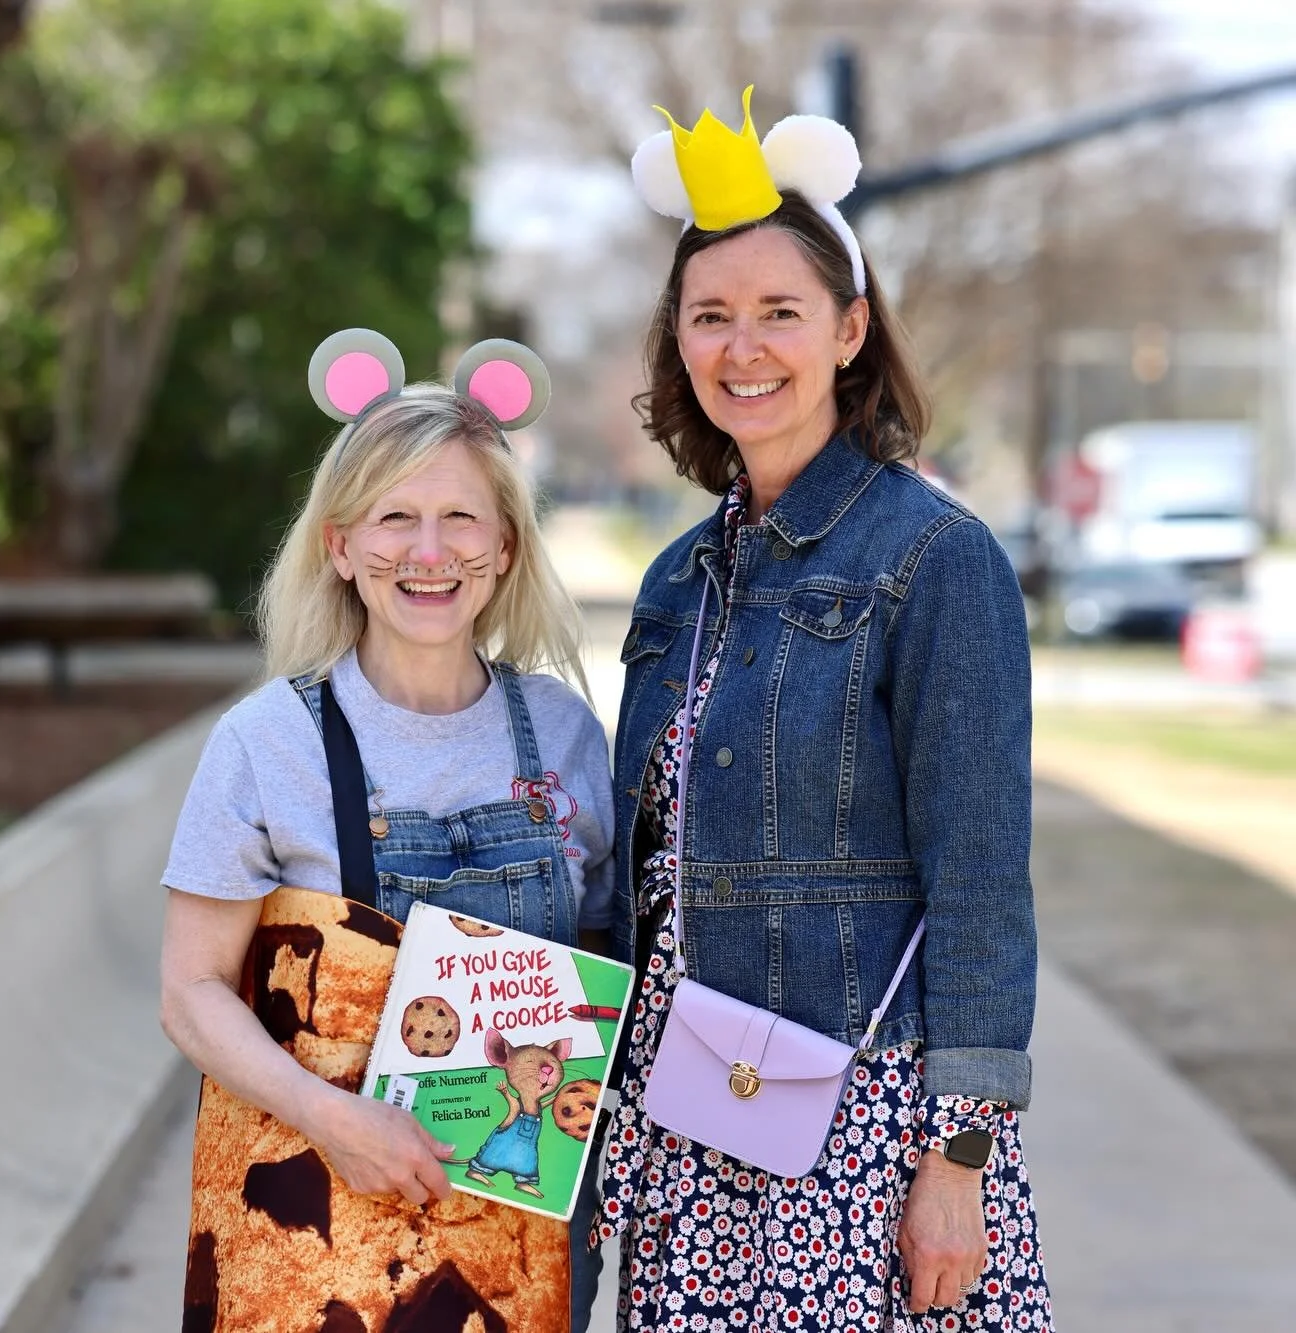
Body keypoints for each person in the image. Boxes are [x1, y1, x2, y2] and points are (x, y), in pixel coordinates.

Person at [594, 89, 1053, 1330]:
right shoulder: (675, 580)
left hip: (865, 1131)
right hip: (690, 1123)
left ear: (850, 331)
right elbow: (644, 871)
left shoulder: (935, 557)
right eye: (711, 317)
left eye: (779, 313)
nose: (744, 348)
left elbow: (978, 874)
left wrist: (961, 1159)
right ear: (677, 343)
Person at [159, 330, 614, 1332]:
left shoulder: (571, 739)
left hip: (523, 1241)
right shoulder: (266, 741)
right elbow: (191, 992)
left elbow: (605, 963)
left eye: (461, 518)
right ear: (340, 545)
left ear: (504, 547)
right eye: (395, 517)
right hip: (319, 1227)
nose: (428, 551)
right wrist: (333, 1116)